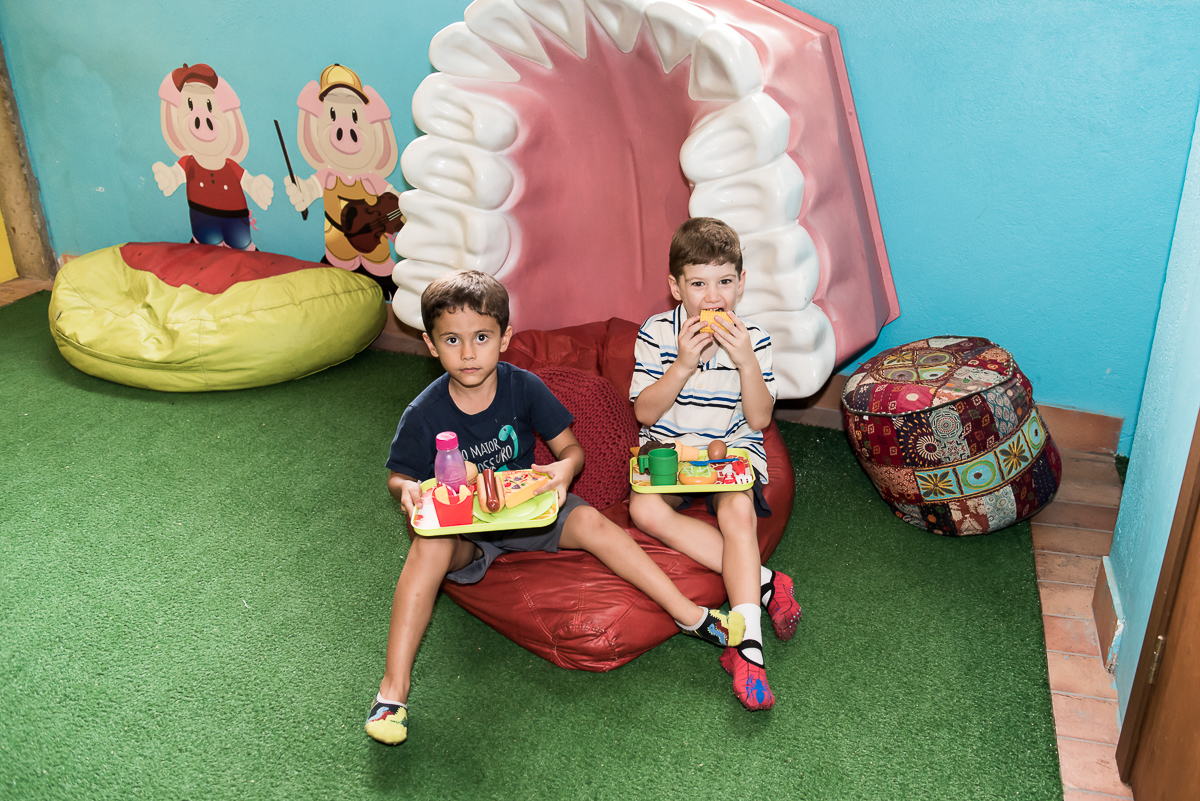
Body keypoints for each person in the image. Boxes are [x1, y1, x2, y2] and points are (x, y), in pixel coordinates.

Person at [365, 269, 745, 746]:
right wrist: (406, 490)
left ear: (505, 338)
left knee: (592, 522)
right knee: (426, 547)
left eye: (481, 337)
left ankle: (690, 615)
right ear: (430, 344)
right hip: (467, 529)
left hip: (530, 512)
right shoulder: (423, 412)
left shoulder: (522, 386)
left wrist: (564, 472)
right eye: (452, 340)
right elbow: (398, 475)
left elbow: (570, 451)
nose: (468, 353)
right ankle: (392, 694)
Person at [627, 217, 803, 711]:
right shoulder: (656, 333)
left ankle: (748, 649)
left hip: (731, 449)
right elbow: (644, 413)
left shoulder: (755, 338)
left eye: (724, 281)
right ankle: (766, 581)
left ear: (741, 283)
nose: (712, 297)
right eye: (698, 284)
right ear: (675, 287)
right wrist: (682, 364)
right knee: (643, 510)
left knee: (738, 512)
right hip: (670, 451)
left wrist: (746, 361)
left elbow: (760, 418)